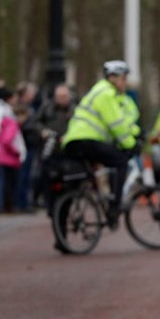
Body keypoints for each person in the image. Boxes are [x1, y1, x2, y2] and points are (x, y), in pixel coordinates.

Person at [61, 60, 139, 231]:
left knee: (75, 185)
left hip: (74, 141)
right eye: (124, 78)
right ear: (113, 78)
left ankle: (62, 235)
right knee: (120, 161)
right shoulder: (106, 94)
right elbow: (116, 124)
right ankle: (114, 206)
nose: (125, 83)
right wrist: (131, 145)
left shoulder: (98, 91)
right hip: (87, 140)